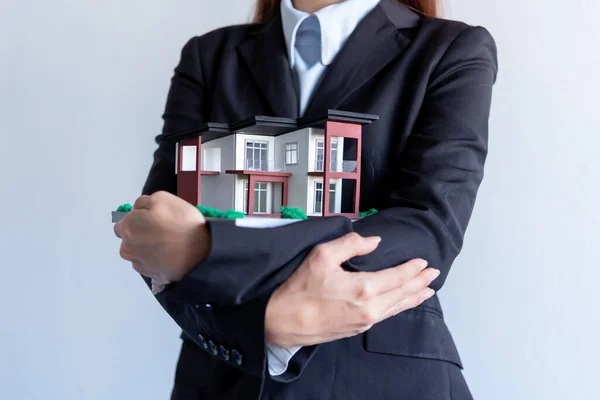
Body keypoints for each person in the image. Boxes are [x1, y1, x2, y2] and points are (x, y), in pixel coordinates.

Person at [113, 0, 498, 398]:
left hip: (384, 379)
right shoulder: (209, 56)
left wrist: (207, 246)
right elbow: (154, 231)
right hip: (224, 381)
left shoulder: (452, 49)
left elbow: (426, 234)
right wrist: (261, 327)